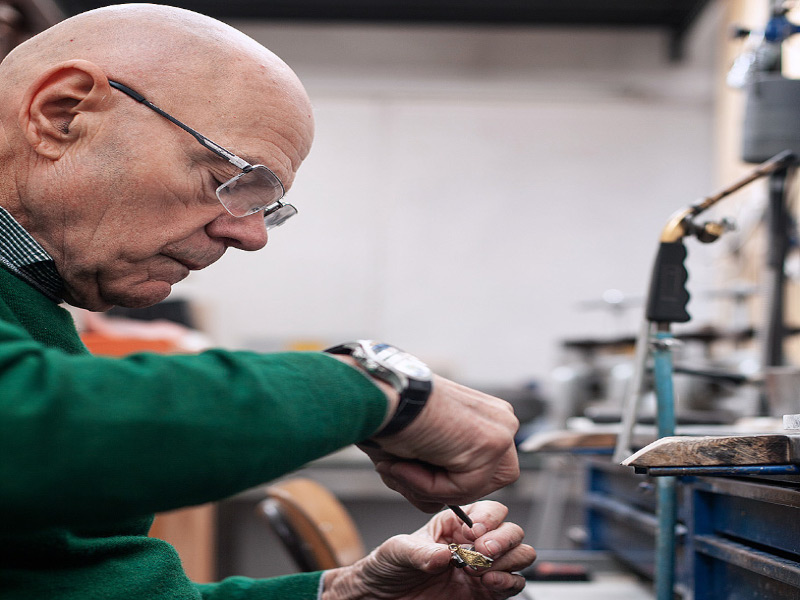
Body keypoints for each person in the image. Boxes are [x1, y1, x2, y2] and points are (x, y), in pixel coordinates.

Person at [0, 4, 535, 599]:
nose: (250, 236)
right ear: (62, 113)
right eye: (229, 182)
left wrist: (343, 593)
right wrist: (375, 383)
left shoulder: (30, 304)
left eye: (265, 208)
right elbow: (23, 425)